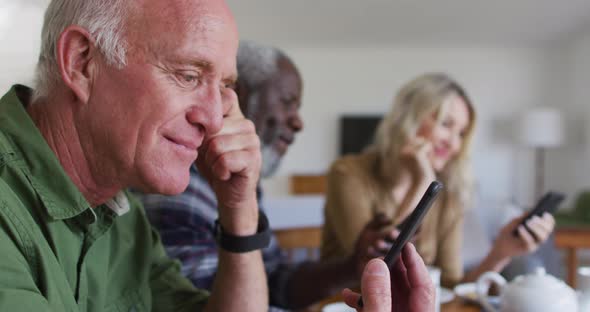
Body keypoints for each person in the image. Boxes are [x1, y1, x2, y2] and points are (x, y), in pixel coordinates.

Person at [0, 0, 434, 311]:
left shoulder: (120, 210)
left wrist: (239, 207)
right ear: (81, 62)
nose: (214, 118)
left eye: (224, 87)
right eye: (188, 75)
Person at [138, 41, 404, 310]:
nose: (298, 122)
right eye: (288, 103)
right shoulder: (183, 186)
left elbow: (275, 279)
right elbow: (219, 304)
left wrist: (352, 266)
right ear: (235, 96)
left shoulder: (242, 183)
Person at [321, 72, 556, 287]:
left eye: (461, 133)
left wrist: (502, 252)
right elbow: (379, 269)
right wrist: (421, 181)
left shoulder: (448, 197)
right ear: (408, 120)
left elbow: (451, 287)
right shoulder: (348, 173)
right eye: (446, 124)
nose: (454, 143)